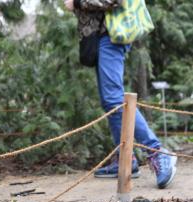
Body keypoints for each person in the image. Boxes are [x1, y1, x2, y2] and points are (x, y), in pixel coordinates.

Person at [64, 0, 177, 189]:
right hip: (101, 36)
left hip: (111, 35)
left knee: (114, 98)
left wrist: (77, 2)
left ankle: (157, 152)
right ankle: (125, 159)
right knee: (110, 102)